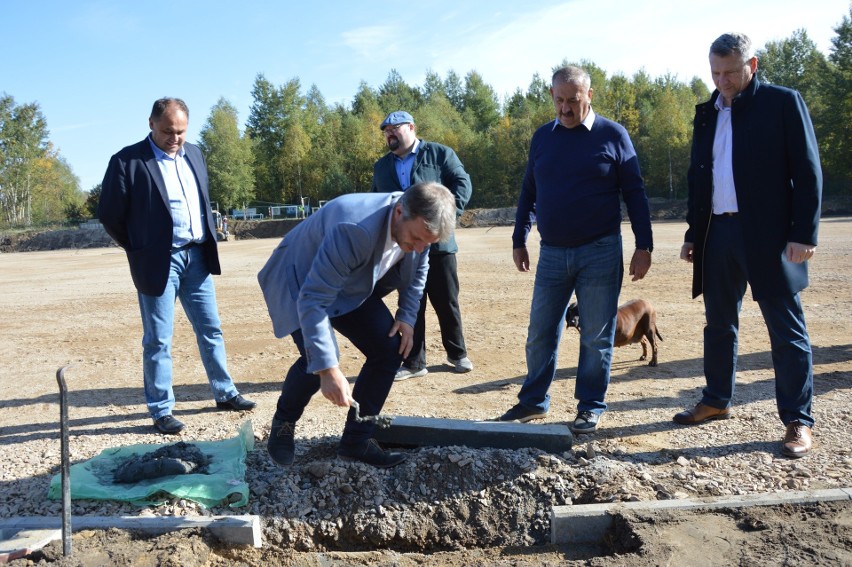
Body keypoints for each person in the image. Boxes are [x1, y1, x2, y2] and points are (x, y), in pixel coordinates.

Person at [675, 33, 822, 459]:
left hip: (770, 236)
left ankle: (798, 420)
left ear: (751, 65)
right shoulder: (706, 113)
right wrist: (692, 233)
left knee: (786, 329)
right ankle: (717, 398)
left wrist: (803, 234)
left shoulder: (782, 102)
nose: (721, 81)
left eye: (730, 72)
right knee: (719, 323)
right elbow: (698, 179)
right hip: (717, 234)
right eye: (715, 72)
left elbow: (808, 172)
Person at [495, 66, 653, 435]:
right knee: (540, 331)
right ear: (551, 96)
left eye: (573, 100)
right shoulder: (542, 138)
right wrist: (520, 238)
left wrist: (643, 245)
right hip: (552, 253)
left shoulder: (613, 135)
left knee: (597, 335)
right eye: (559, 99)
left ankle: (590, 406)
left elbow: (635, 193)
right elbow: (529, 193)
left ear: (589, 95)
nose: (565, 108)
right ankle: (533, 402)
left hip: (600, 251)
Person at [258, 182, 457, 468]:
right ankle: (284, 423)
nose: (420, 248)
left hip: (352, 279)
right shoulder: (355, 226)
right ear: (400, 211)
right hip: (302, 278)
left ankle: (355, 442)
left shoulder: (420, 230)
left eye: (428, 243)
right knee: (316, 359)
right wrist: (327, 369)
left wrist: (407, 315)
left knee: (390, 349)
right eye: (417, 239)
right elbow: (314, 298)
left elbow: (419, 269)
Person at [98, 97, 256, 435]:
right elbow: (110, 215)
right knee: (158, 339)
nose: (175, 138)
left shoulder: (195, 154)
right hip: (158, 261)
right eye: (169, 131)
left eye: (181, 131)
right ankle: (160, 409)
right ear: (151, 124)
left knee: (211, 329)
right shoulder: (128, 161)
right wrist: (139, 247)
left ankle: (225, 392)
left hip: (196, 257)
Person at [371, 111, 474, 381]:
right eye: (386, 131)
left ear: (412, 127)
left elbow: (462, 182)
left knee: (446, 300)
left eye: (394, 128)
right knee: (411, 303)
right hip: (403, 247)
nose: (389, 134)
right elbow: (376, 202)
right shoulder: (381, 167)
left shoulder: (439, 154)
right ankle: (414, 363)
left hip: (439, 245)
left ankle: (457, 353)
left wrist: (447, 219)